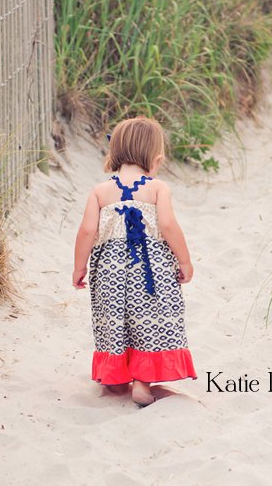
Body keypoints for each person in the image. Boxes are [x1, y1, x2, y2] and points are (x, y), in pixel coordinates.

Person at [72, 116, 197, 407]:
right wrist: (185, 260)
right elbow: (168, 225)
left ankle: (115, 378)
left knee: (115, 319)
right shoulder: (157, 188)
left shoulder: (100, 191)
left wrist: (80, 267)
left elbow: (87, 230)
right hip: (150, 271)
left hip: (109, 272)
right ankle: (142, 383)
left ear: (113, 153)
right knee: (148, 323)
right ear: (156, 159)